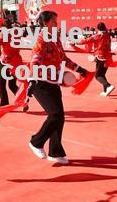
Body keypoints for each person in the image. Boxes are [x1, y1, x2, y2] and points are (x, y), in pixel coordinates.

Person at [27, 11, 87, 165]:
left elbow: (63, 58)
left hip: (53, 80)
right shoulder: (41, 38)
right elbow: (35, 58)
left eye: (56, 21)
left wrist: (80, 69)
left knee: (59, 117)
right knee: (55, 114)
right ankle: (36, 141)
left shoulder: (56, 38)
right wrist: (33, 78)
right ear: (45, 23)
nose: (56, 24)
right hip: (39, 80)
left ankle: (55, 152)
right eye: (53, 21)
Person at [76, 22, 115, 97]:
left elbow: (86, 40)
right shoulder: (107, 35)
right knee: (102, 74)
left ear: (98, 28)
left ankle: (108, 85)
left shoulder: (98, 36)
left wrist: (75, 43)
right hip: (108, 57)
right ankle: (105, 90)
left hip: (101, 56)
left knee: (97, 76)